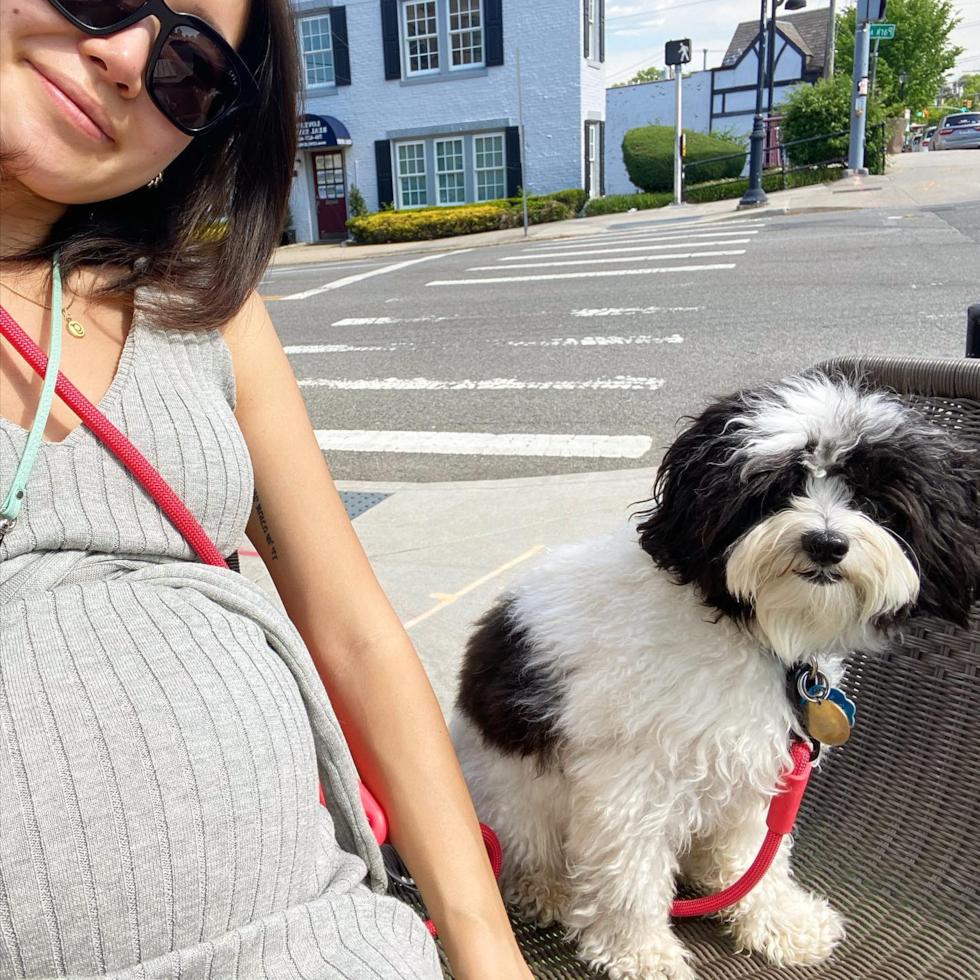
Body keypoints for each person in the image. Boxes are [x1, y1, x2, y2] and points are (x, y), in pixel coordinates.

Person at [0, 2, 534, 978]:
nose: (125, 57)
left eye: (188, 68)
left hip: (325, 937)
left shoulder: (204, 312)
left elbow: (352, 628)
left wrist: (484, 946)